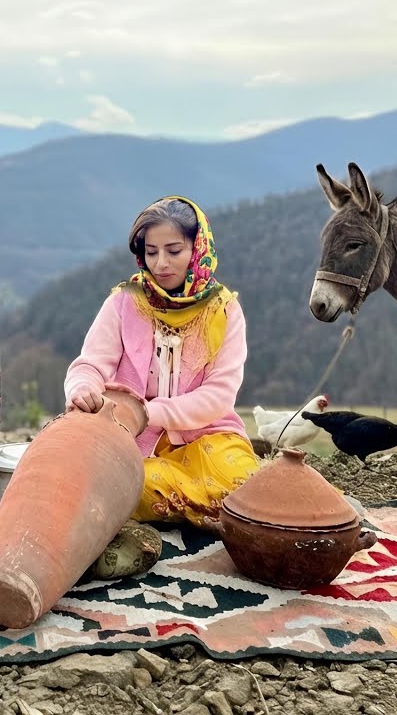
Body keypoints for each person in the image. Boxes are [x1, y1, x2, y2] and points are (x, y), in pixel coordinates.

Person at [64, 196, 259, 533]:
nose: (161, 264)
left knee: (246, 485)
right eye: (151, 252)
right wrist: (83, 389)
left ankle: (196, 508)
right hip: (131, 440)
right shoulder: (124, 301)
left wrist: (149, 413)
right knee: (116, 484)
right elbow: (90, 364)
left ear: (197, 249)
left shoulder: (223, 311)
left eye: (174, 250)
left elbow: (219, 395)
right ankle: (209, 513)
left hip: (206, 438)